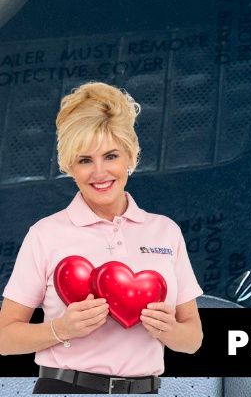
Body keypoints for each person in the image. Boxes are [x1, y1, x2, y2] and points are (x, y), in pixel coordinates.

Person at [0, 83, 203, 394]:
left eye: (110, 156)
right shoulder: (45, 234)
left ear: (130, 157)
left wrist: (169, 330)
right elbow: (4, 339)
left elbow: (193, 340)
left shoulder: (166, 232)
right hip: (66, 389)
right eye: (85, 160)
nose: (99, 172)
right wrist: (60, 329)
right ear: (70, 166)